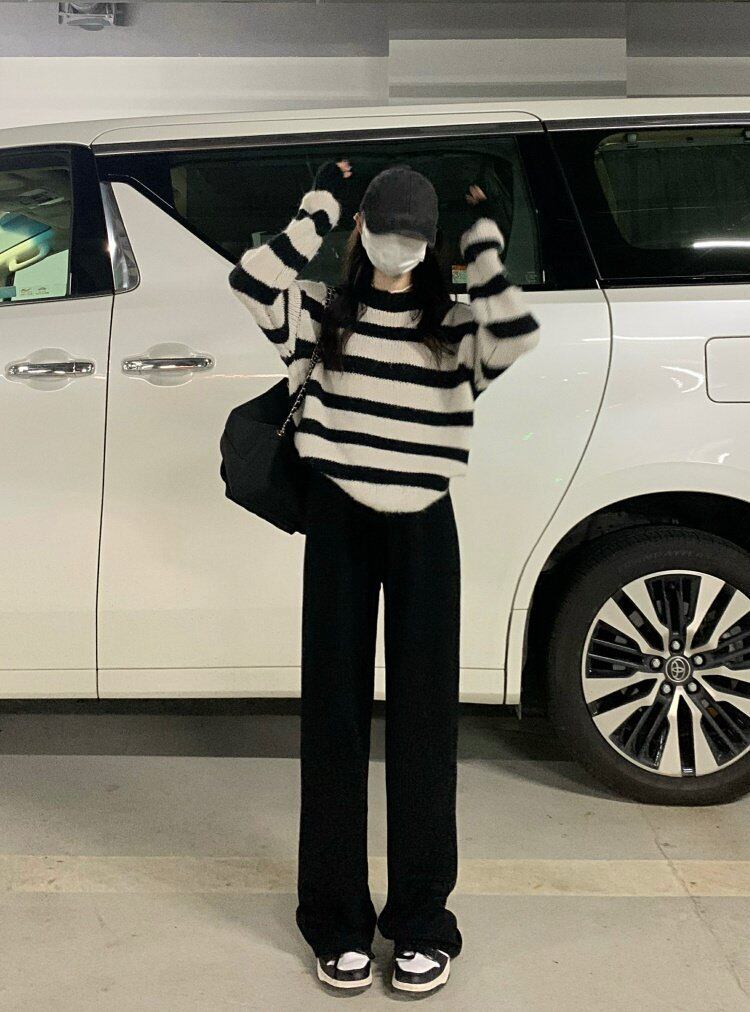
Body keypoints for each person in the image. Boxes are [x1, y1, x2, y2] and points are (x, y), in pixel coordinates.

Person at [228, 157, 541, 994]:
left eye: (415, 234)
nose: (399, 245)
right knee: (333, 719)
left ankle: (421, 920)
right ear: (363, 228)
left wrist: (482, 239)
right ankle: (335, 920)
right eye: (386, 227)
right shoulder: (321, 314)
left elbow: (516, 332)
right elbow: (251, 279)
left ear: (431, 242)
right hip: (337, 522)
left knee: (426, 723)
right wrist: (320, 207)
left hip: (425, 525)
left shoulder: (456, 327)